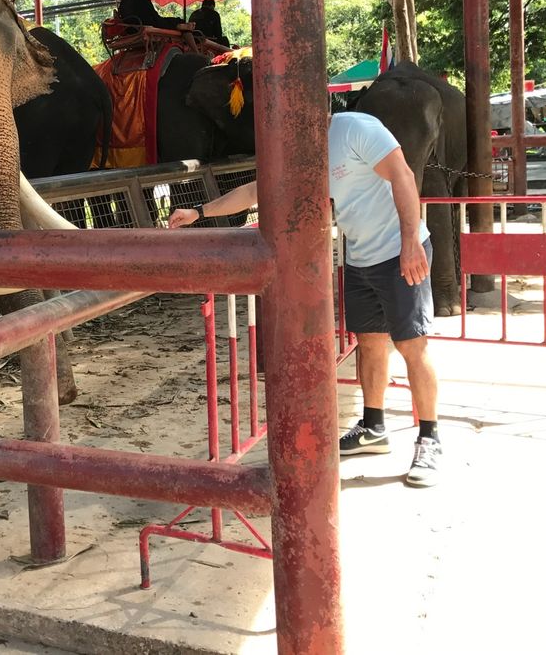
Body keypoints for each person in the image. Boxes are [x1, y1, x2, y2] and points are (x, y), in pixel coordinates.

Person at [168, 111, 441, 487]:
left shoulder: (356, 128)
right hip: (360, 257)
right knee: (370, 345)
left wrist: (411, 240)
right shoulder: (300, 154)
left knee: (412, 345)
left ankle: (429, 437)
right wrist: (198, 212)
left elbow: (403, 175)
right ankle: (374, 427)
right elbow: (254, 192)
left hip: (400, 250)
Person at [116, 0, 181, 31]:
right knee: (178, 21)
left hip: (132, 31)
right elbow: (153, 14)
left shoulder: (121, 6)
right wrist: (163, 23)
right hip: (149, 25)